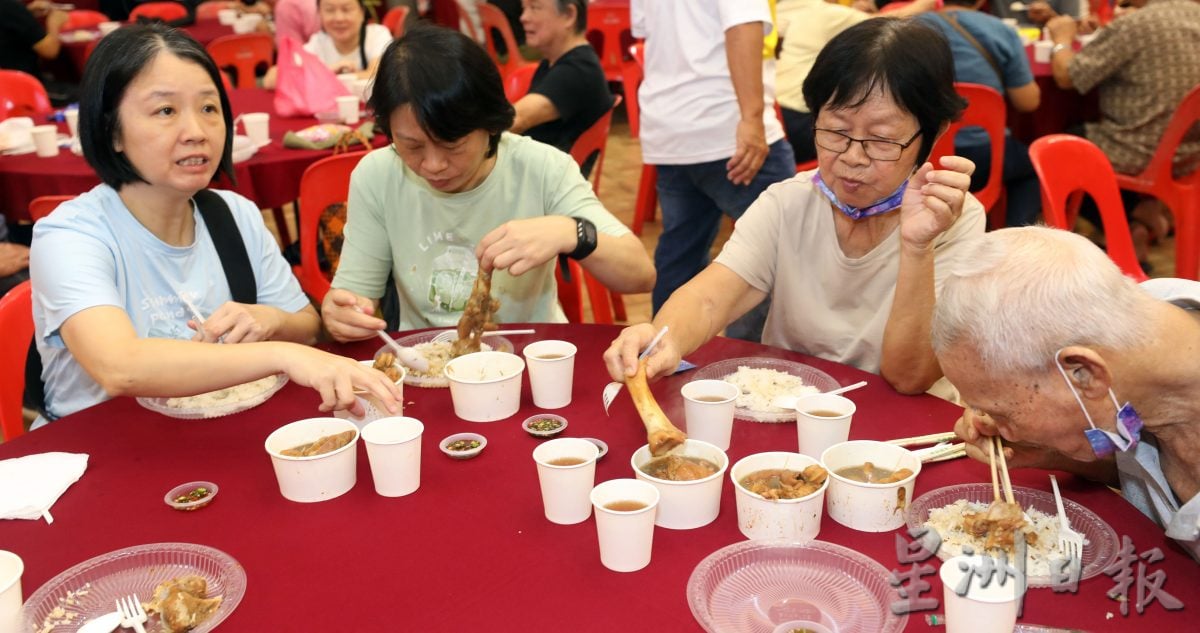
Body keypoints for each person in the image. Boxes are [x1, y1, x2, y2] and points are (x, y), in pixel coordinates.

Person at [28, 23, 401, 423]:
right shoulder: (70, 236)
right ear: (110, 131)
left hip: (214, 439)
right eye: (166, 111)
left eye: (208, 108)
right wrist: (282, 354)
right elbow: (120, 366)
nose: (197, 132)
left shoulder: (233, 215)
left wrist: (272, 321)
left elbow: (308, 327)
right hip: (99, 452)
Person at [604, 18, 984, 398]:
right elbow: (709, 297)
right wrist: (664, 340)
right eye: (836, 131)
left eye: (881, 140)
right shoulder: (788, 202)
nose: (852, 157)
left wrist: (917, 247)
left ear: (932, 135)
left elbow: (910, 377)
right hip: (791, 418)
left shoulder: (952, 219)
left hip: (902, 434)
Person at [320, 25, 654, 339]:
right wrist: (342, 315)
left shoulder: (541, 168)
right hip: (426, 361)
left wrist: (572, 232)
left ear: (491, 124)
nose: (433, 165)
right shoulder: (378, 175)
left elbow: (640, 274)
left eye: (453, 145)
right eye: (411, 146)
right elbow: (354, 297)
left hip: (529, 356)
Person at [932, 226, 1200, 562]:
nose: (1000, 429)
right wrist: (1049, 452)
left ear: (1083, 372)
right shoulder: (1138, 327)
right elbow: (1143, 460)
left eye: (1004, 414)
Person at [632, 0, 797, 334]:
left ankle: (664, 360)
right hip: (724, 124)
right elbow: (743, 24)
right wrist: (751, 119)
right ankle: (752, 365)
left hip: (671, 129)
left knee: (681, 254)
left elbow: (651, 35)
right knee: (782, 252)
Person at [1046, 0, 1200, 266]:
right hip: (1189, 150)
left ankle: (1127, 225)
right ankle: (1141, 216)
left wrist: (1061, 40)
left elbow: (1067, 76)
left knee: (1059, 150)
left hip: (1139, 150)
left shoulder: (1135, 25)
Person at [918, 0, 1043, 227]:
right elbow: (1027, 102)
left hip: (923, 156)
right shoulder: (1001, 30)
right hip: (986, 154)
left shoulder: (911, 29)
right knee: (1033, 168)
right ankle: (1014, 239)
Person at [776, 0, 936, 165]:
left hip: (782, 110)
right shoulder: (830, 13)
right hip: (801, 116)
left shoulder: (805, 8)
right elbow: (886, 26)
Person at [510, 0, 612, 160]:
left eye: (535, 8)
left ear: (569, 15)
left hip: (550, 180)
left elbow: (515, 120)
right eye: (524, 8)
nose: (524, 17)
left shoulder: (578, 70)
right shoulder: (553, 60)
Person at [262, 0, 392, 88]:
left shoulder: (377, 35)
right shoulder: (318, 43)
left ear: (362, 12)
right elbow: (270, 79)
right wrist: (331, 70)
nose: (339, 18)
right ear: (320, 15)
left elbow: (378, 74)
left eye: (346, 9)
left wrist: (323, 76)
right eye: (329, 10)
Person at [0, 0, 68, 78]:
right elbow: (50, 51)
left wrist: (27, 12)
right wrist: (54, 23)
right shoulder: (10, 7)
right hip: (22, 82)